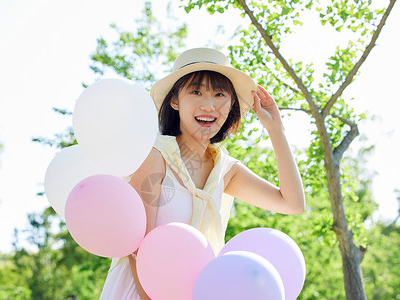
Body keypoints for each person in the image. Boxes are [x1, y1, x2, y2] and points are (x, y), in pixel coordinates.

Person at [99, 47, 305, 299]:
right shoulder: (155, 157)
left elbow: (292, 203)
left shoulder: (225, 170)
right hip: (139, 291)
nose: (209, 105)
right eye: (196, 91)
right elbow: (137, 249)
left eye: (220, 94)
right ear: (175, 101)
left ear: (231, 105)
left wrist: (276, 130)